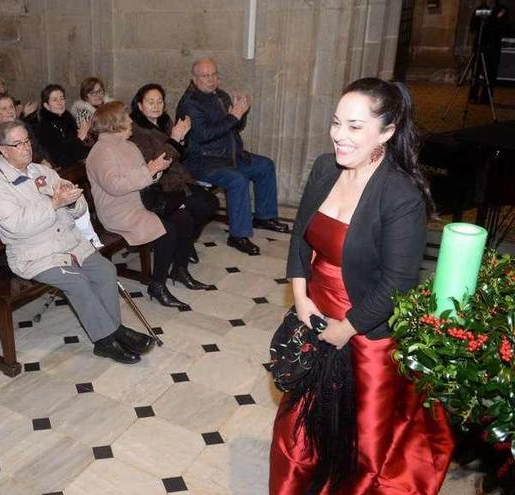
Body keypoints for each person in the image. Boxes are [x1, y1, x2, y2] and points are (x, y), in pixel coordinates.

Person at [269, 78, 454, 494]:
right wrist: (301, 300)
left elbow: (397, 283)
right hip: (315, 316)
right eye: (337, 123)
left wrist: (345, 329)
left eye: (354, 126)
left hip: (367, 331)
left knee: (364, 443)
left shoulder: (401, 195)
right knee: (297, 430)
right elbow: (300, 237)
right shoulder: (323, 167)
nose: (339, 135)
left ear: (387, 132)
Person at [0, 120, 154, 364]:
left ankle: (112, 332)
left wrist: (73, 200)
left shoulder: (41, 171)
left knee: (105, 270)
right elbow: (17, 226)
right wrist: (53, 203)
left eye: (27, 141)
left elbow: (75, 209)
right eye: (18, 143)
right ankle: (109, 338)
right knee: (78, 281)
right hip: (34, 254)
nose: (26, 147)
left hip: (67, 243)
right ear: (3, 149)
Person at [87, 102, 210, 311]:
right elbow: (115, 186)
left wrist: (156, 169)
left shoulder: (128, 145)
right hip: (118, 209)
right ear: (115, 123)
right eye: (126, 118)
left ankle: (180, 269)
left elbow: (145, 175)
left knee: (184, 217)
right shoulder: (101, 151)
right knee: (167, 231)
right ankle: (157, 285)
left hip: (139, 201)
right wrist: (149, 171)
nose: (131, 121)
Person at [176, 58, 289, 256]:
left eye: (214, 75)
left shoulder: (221, 96)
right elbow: (203, 135)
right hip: (204, 161)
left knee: (264, 165)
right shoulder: (190, 104)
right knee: (237, 179)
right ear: (194, 79)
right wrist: (233, 116)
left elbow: (235, 126)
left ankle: (264, 216)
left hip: (230, 155)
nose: (211, 80)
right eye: (205, 76)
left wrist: (240, 114)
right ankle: (238, 235)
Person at [129, 83, 220, 265]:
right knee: (199, 205)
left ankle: (184, 244)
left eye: (160, 101)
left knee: (210, 203)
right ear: (140, 106)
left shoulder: (165, 121)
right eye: (150, 102)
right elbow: (157, 161)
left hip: (178, 178)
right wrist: (175, 139)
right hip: (159, 186)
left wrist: (182, 139)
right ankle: (183, 246)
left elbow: (180, 155)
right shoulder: (136, 131)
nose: (156, 106)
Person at [29, 84, 91, 169]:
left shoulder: (68, 118)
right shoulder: (44, 126)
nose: (60, 103)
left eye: (62, 98)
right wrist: (79, 139)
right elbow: (59, 156)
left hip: (77, 165)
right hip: (62, 169)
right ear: (46, 105)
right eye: (55, 100)